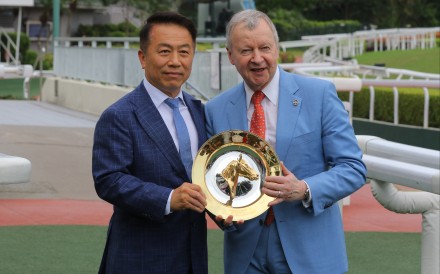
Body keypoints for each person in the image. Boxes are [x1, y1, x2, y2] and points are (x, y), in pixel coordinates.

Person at [204, 10, 367, 274]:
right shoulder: (215, 109)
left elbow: (353, 168)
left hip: (310, 251)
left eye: (265, 47)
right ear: (231, 56)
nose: (258, 58)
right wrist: (220, 213)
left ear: (277, 49)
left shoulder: (320, 95)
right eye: (246, 50)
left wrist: (304, 189)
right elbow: (213, 179)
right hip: (245, 254)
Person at [92, 12, 208, 274]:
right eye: (165, 51)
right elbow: (109, 180)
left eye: (184, 52)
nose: (175, 62)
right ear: (143, 58)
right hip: (139, 258)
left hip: (193, 257)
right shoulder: (119, 115)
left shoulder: (199, 111)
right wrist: (168, 198)